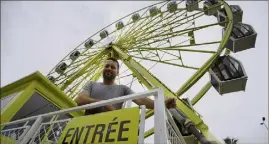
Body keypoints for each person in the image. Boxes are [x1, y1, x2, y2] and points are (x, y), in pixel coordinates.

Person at [74, 57, 176, 115]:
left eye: (113, 67)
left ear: (117, 73)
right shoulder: (92, 84)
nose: (109, 68)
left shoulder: (123, 89)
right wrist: (103, 103)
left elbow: (141, 100)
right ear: (103, 69)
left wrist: (162, 104)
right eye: (107, 66)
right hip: (85, 128)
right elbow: (80, 100)